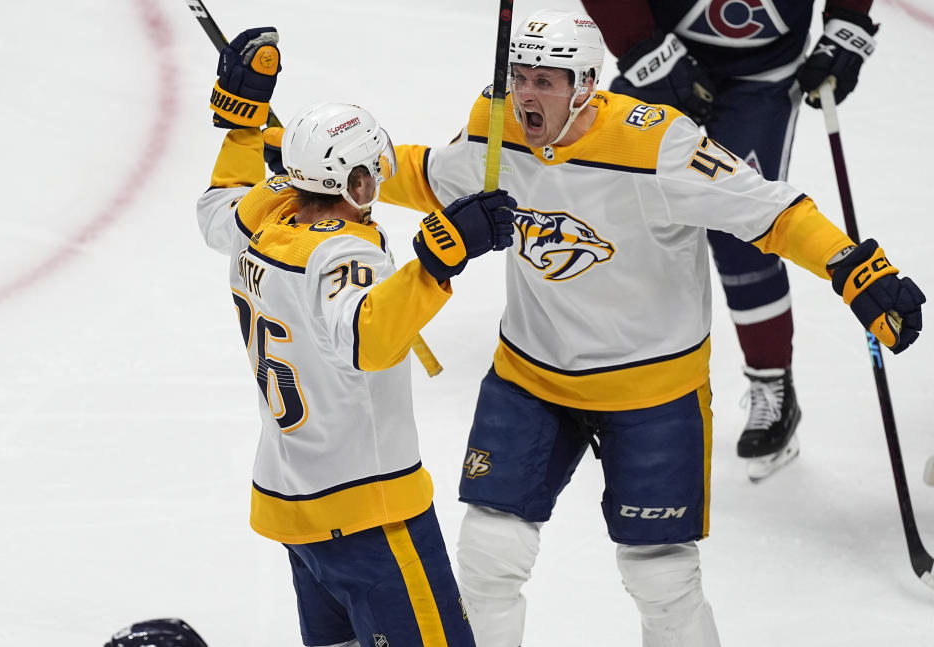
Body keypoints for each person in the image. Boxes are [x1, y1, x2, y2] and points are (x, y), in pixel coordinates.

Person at [377, 9, 924, 647]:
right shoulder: (494, 134)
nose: (525, 92)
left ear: (584, 84)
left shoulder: (659, 144)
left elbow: (769, 210)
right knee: (488, 552)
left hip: (652, 392)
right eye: (517, 75)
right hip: (531, 377)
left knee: (661, 577)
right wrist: (315, 163)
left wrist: (853, 268)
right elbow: (421, 173)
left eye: (544, 80)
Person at [196, 28, 516, 647]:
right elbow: (367, 339)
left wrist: (242, 126)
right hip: (370, 512)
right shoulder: (345, 253)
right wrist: (437, 259)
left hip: (295, 504)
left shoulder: (262, 221)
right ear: (358, 182)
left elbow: (218, 210)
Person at [579, 0, 879, 480]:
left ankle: (771, 385)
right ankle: (607, 372)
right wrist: (640, 45)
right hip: (664, 40)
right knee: (613, 205)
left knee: (745, 227)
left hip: (764, 71)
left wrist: (848, 21)